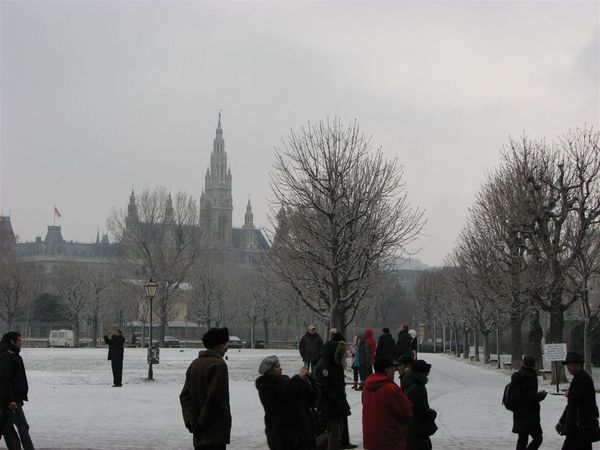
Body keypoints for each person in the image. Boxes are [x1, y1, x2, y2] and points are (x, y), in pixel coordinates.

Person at [180, 327, 231, 450]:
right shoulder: (219, 365)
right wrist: (202, 423)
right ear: (216, 345)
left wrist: (191, 421)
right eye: (224, 344)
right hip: (214, 431)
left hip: (198, 433)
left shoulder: (195, 364)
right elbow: (214, 398)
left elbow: (184, 396)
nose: (227, 347)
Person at [255, 355, 320, 450]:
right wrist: (298, 378)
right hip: (285, 436)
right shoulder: (266, 386)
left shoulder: (286, 382)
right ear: (269, 370)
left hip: (300, 435)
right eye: (277, 366)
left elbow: (309, 399)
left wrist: (310, 380)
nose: (281, 369)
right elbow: (285, 398)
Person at [362, 356, 413, 450]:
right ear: (387, 370)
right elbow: (406, 411)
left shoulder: (367, 386)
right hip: (390, 439)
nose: (394, 372)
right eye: (393, 369)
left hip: (371, 438)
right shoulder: (391, 389)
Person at [315, 331, 351, 450]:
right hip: (329, 405)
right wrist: (336, 400)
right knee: (334, 434)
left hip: (335, 403)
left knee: (337, 433)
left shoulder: (334, 364)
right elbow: (324, 387)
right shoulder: (324, 365)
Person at [556, 351, 599, 450]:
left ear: (579, 364)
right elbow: (571, 405)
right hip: (575, 427)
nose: (568, 367)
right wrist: (562, 421)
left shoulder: (584, 379)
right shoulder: (577, 379)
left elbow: (583, 398)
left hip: (582, 426)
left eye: (570, 364)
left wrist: (570, 394)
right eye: (567, 365)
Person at [0, 331, 35, 450]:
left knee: (5, 427)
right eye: (19, 340)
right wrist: (11, 400)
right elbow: (4, 380)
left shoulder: (13, 355)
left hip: (11, 399)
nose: (21, 342)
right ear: (12, 342)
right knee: (23, 426)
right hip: (11, 401)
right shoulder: (6, 356)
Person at [511, 355, 547, 450]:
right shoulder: (531, 377)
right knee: (538, 438)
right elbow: (531, 397)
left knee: (522, 438)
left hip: (518, 412)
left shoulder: (517, 376)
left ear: (523, 363)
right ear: (533, 364)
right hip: (530, 414)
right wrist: (541, 396)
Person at [403, 359, 437, 450]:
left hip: (412, 429)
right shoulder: (416, 388)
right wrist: (432, 413)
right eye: (427, 372)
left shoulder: (409, 383)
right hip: (417, 429)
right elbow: (419, 409)